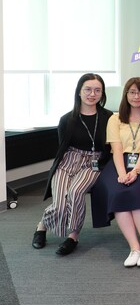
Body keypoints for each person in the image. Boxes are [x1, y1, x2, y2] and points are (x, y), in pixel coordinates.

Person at [32, 74, 113, 256]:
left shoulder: (109, 117)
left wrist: (102, 164)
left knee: (75, 193)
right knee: (60, 203)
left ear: (102, 93)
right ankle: (42, 224)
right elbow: (62, 147)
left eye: (97, 90)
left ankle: (73, 236)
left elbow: (111, 146)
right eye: (88, 89)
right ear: (79, 91)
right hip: (68, 161)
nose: (92, 94)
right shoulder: (67, 119)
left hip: (93, 163)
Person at [92, 78, 140, 267]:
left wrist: (136, 171)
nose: (136, 96)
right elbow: (116, 150)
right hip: (118, 163)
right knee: (118, 190)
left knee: (135, 191)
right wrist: (122, 173)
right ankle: (134, 247)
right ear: (126, 94)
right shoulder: (115, 119)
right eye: (132, 92)